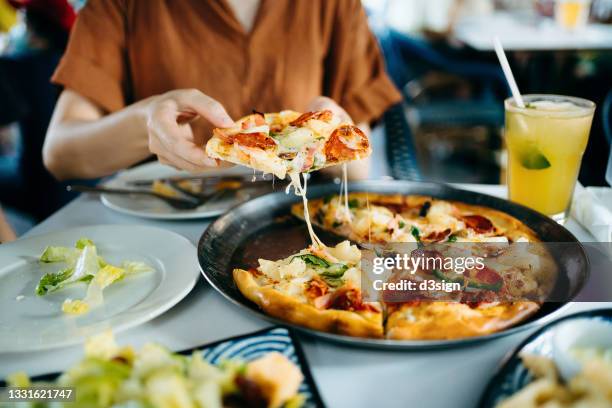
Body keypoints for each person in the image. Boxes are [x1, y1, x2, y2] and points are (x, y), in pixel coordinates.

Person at [43, 0, 402, 181]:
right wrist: (145, 121)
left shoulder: (334, 5)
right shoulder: (119, 6)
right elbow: (60, 155)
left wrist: (333, 139)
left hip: (294, 230)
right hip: (162, 242)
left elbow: (359, 170)